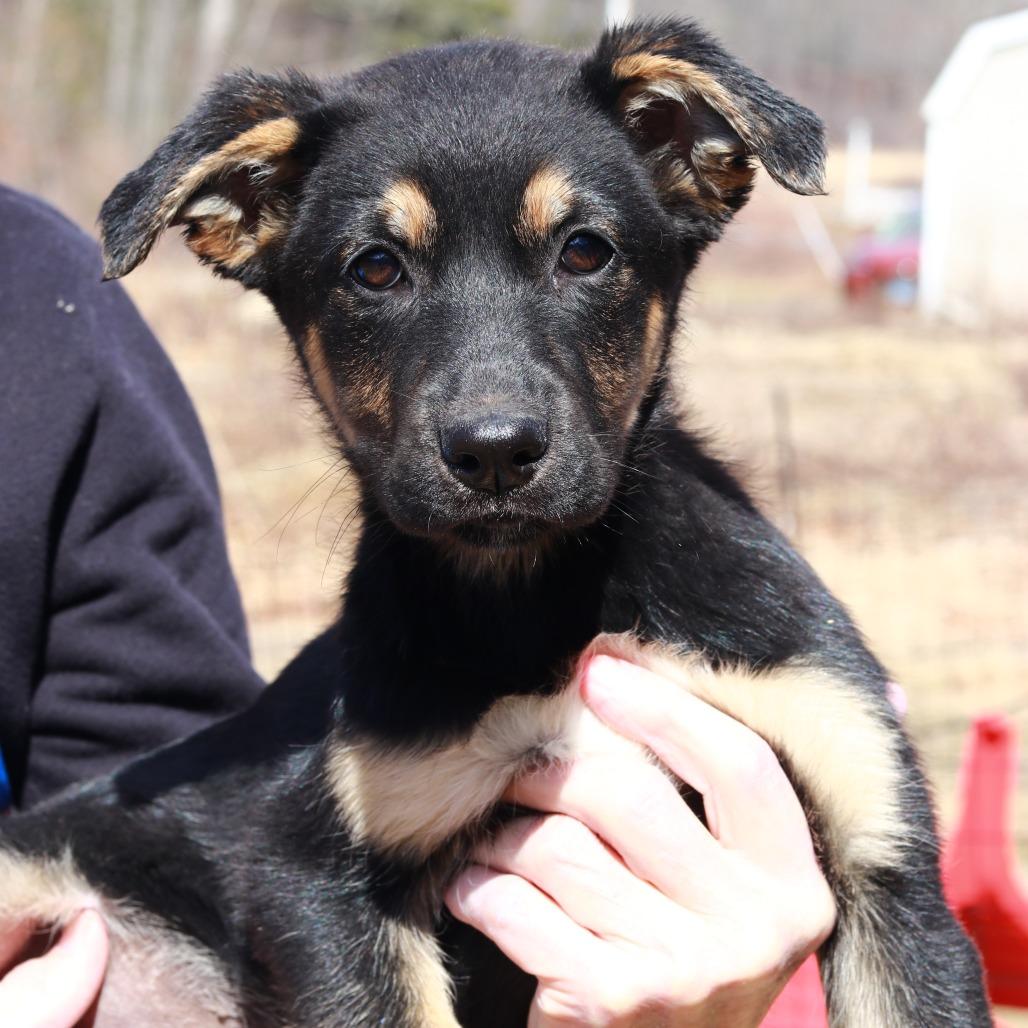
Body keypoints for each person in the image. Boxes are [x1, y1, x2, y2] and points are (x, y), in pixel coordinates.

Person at [0, 187, 834, 1026]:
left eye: (580, 252)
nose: (491, 416)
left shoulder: (31, 293)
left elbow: (177, 813)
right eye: (377, 268)